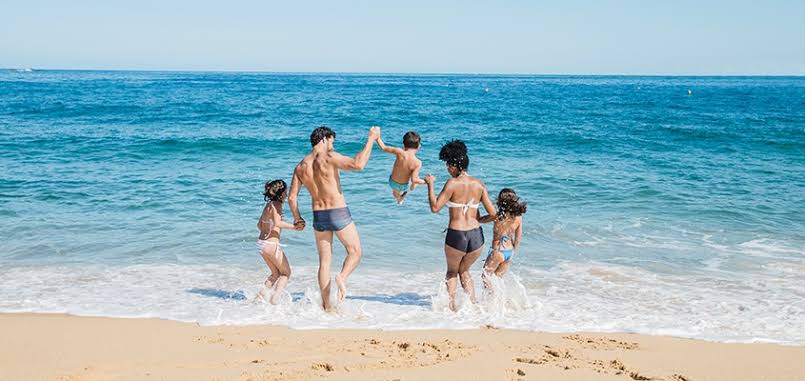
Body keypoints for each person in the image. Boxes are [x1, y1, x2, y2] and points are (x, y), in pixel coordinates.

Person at [288, 125, 380, 311]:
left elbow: (292, 197)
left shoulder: (301, 166)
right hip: (337, 211)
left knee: (324, 262)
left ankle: (327, 306)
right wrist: (371, 138)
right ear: (324, 139)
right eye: (332, 141)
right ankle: (342, 277)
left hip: (318, 215)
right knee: (355, 251)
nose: (332, 145)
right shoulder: (329, 157)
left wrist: (297, 217)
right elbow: (358, 164)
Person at [424, 140, 496, 311]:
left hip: (457, 235)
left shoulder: (452, 184)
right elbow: (494, 214)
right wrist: (479, 220)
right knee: (465, 271)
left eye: (449, 165)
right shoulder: (479, 184)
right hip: (476, 237)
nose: (447, 169)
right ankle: (473, 307)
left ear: (455, 165)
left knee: (451, 272)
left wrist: (430, 185)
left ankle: (451, 309)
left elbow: (435, 208)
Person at [256, 179, 302, 304]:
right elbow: (277, 223)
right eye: (286, 192)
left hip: (261, 244)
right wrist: (295, 227)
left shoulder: (268, 205)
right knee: (286, 273)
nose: (287, 194)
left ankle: (258, 299)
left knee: (275, 274)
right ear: (281, 193)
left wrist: (269, 229)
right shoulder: (277, 205)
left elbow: (259, 225)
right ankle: (275, 301)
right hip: (271, 245)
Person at [480, 188, 527, 287]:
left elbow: (480, 220)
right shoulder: (518, 217)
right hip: (509, 252)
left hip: (498, 251)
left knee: (486, 277)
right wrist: (513, 251)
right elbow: (518, 238)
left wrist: (475, 207)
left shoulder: (497, 216)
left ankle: (490, 300)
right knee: (498, 280)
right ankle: (500, 301)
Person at [377, 131, 425, 204]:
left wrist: (377, 138)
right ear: (419, 146)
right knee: (415, 179)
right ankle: (411, 188)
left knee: (395, 193)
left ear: (404, 144)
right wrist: (426, 181)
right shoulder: (417, 162)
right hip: (405, 186)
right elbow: (414, 180)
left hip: (392, 182)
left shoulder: (399, 152)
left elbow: (383, 148)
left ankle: (399, 198)